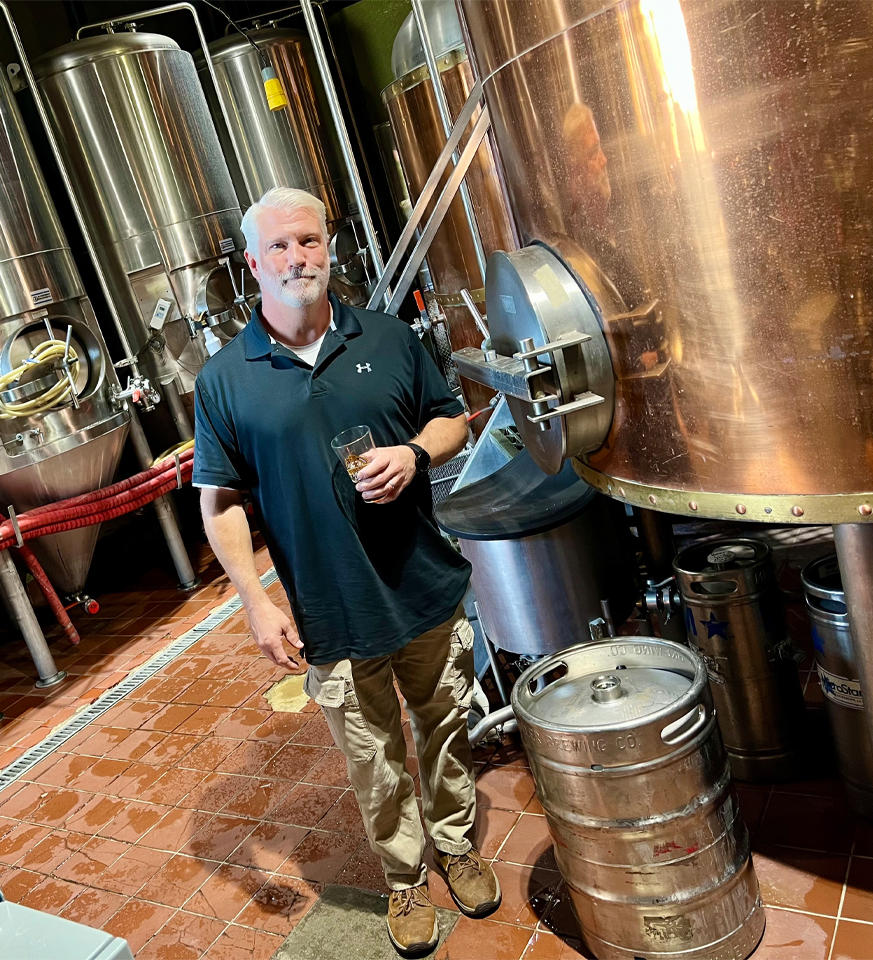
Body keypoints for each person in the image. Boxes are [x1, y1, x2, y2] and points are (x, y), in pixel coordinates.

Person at [192, 187, 499, 955]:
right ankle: (404, 879)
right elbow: (221, 502)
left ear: (330, 248)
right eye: (280, 247)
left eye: (310, 241)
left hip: (424, 584)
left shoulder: (390, 338)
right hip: (332, 610)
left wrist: (416, 452)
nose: (298, 257)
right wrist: (257, 603)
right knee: (373, 759)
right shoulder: (226, 380)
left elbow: (452, 417)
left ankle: (456, 845)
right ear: (253, 264)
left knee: (444, 727)